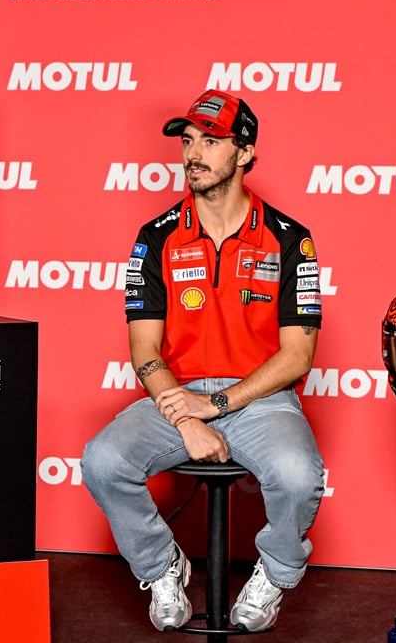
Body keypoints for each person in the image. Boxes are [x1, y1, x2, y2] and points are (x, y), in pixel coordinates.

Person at [80, 89, 324, 633]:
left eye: (211, 142)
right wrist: (188, 418)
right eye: (188, 141)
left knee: (298, 475)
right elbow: (145, 350)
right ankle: (160, 566)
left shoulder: (291, 240)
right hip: (177, 396)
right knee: (102, 460)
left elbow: (297, 355)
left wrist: (214, 405)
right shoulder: (156, 237)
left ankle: (275, 573)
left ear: (245, 152)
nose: (193, 153)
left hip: (261, 400)